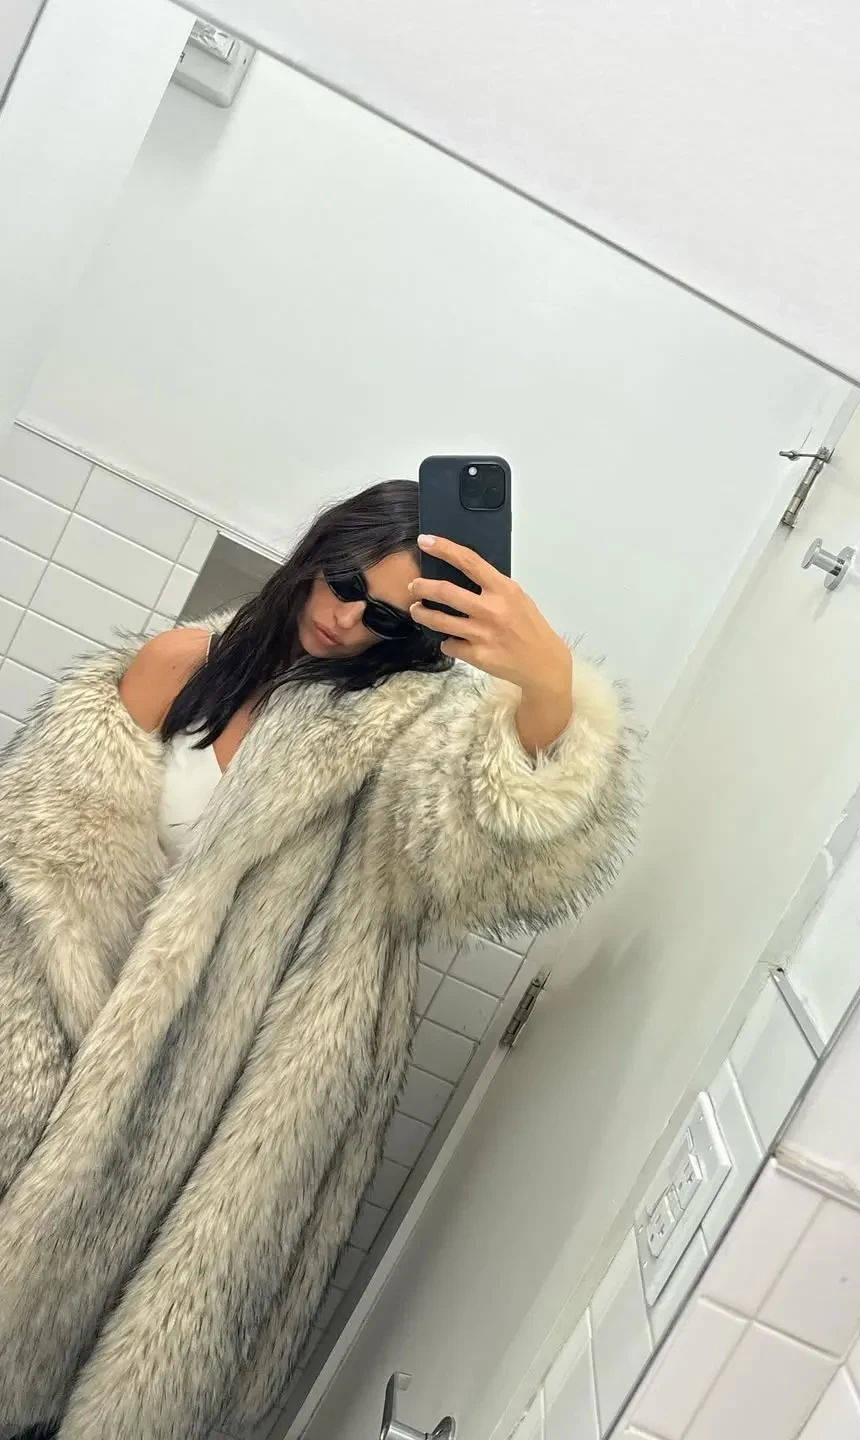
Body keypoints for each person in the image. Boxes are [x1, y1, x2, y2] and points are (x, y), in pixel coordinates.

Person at [0, 480, 637, 1440]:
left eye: (383, 615)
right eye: (342, 581)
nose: (345, 618)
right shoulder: (182, 665)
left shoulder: (400, 740)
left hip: (224, 1103)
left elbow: (484, 853)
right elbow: (48, 871)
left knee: (112, 1362)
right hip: (58, 1047)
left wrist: (545, 686)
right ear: (316, 553)